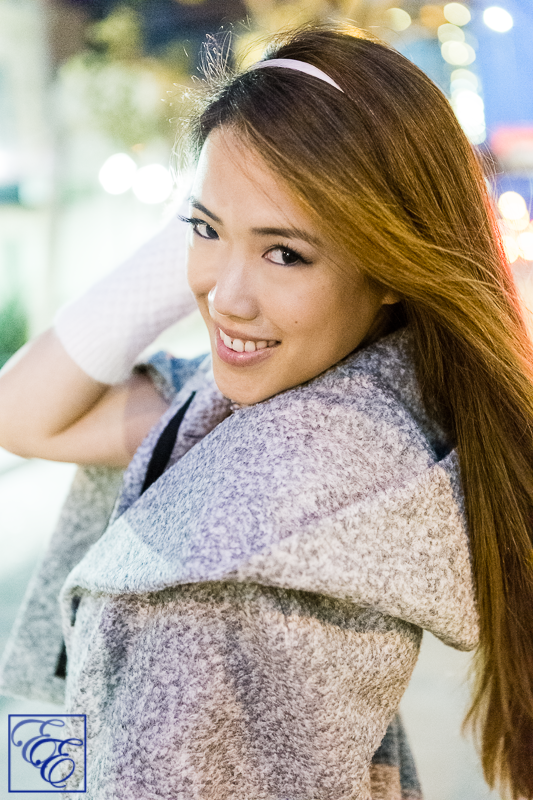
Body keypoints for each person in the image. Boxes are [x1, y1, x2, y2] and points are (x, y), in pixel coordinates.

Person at [1, 22, 533, 800]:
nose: (227, 297)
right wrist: (230, 203)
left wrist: (225, 210)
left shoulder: (253, 533)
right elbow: (23, 413)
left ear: (390, 263)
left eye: (286, 253)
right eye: (203, 230)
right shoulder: (316, 394)